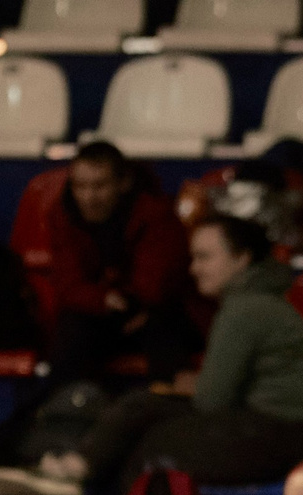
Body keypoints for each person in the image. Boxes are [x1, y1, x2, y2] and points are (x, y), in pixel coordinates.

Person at [0, 216, 303, 495]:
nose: (194, 268)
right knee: (146, 414)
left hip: (291, 433)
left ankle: (80, 488)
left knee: (153, 446)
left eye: (205, 257)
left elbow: (211, 400)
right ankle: (76, 481)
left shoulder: (245, 309)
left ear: (242, 259)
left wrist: (196, 387)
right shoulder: (258, 303)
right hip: (285, 427)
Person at [42, 141, 195, 386]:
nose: (88, 197)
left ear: (123, 183)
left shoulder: (155, 214)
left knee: (164, 326)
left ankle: (171, 409)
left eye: (99, 186)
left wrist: (126, 301)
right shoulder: (63, 215)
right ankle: (64, 410)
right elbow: (68, 285)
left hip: (158, 312)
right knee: (73, 327)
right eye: (79, 186)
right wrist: (104, 300)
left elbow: (156, 286)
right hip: (105, 311)